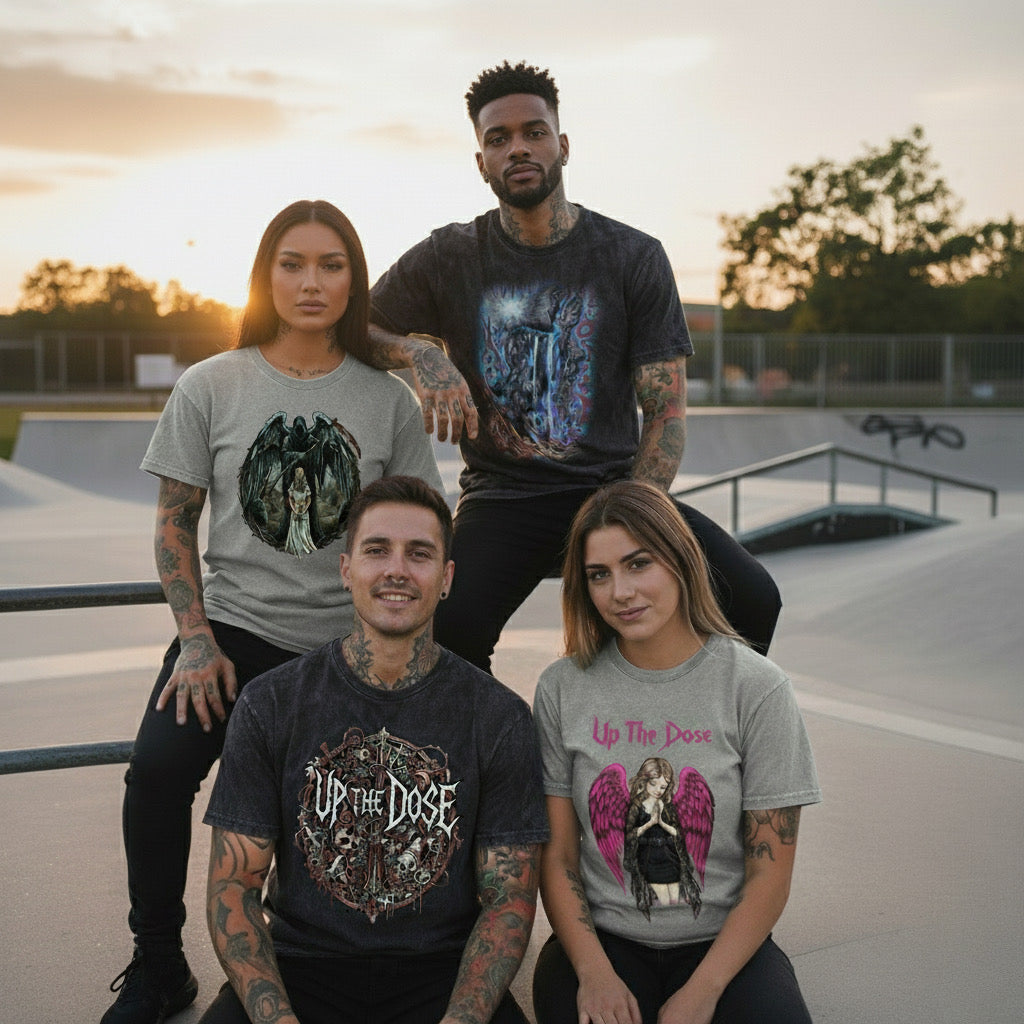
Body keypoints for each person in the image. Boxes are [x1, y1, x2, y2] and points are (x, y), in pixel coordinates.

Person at [102, 201, 445, 1024]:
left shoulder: (386, 400)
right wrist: (192, 637)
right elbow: (174, 520)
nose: (311, 281)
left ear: (354, 280)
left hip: (347, 648)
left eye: (331, 265)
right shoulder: (210, 384)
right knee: (155, 775)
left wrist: (399, 654)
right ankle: (158, 963)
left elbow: (421, 524)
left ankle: (297, 958)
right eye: (292, 263)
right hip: (230, 637)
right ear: (266, 274)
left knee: (323, 815)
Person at [357, 60, 781, 673]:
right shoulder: (451, 255)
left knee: (751, 596)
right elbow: (359, 326)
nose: (518, 148)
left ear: (563, 145)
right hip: (503, 497)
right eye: (498, 139)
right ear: (482, 163)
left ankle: (690, 726)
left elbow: (666, 412)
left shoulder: (631, 255)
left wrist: (636, 517)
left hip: (611, 489)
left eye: (535, 132)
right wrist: (420, 353)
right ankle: (490, 757)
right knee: (446, 628)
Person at [197, 475, 549, 1024]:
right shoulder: (271, 703)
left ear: (447, 577)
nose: (396, 570)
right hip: (301, 965)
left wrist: (461, 1020)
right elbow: (234, 885)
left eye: (420, 554)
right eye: (377, 550)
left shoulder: (499, 718)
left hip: (441, 972)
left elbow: (509, 902)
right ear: (346, 569)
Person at [531, 480, 821, 1024]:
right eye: (600, 574)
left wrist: (704, 991)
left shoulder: (757, 688)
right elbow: (560, 856)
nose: (620, 591)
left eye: (638, 564)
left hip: (724, 947)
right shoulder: (562, 689)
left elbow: (769, 874)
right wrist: (593, 974)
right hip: (604, 944)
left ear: (681, 560)